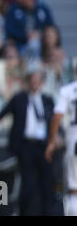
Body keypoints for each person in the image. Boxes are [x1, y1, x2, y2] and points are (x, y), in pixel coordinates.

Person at [0, 70, 56, 215]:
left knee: (47, 183)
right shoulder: (19, 99)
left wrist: (57, 136)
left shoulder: (47, 100)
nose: (34, 83)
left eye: (37, 81)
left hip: (43, 145)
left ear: (42, 83)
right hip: (26, 146)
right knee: (26, 184)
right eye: (32, 80)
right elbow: (0, 115)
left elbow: (55, 121)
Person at [45, 67, 77, 216]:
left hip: (74, 142)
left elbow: (57, 117)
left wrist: (51, 141)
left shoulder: (68, 90)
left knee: (74, 188)